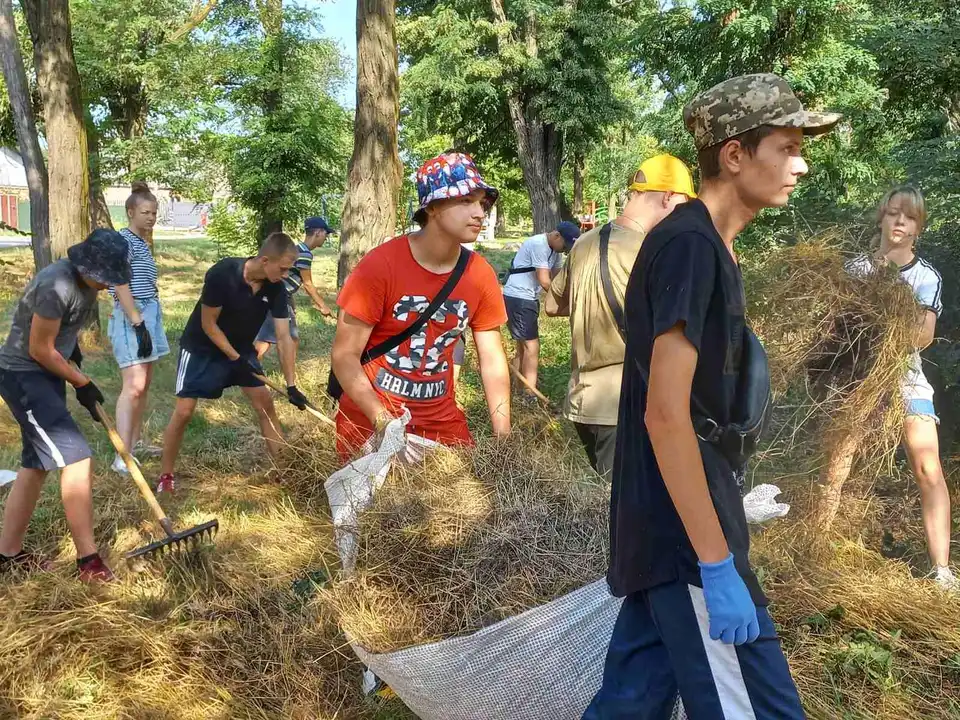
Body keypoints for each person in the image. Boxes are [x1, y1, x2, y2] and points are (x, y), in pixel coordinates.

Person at [585, 73, 839, 718]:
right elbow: (665, 413)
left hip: (670, 521)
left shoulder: (706, 245)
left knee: (630, 704)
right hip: (686, 539)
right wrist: (716, 563)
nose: (800, 165)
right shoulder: (691, 247)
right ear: (734, 153)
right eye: (785, 148)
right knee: (760, 708)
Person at [331, 151, 510, 460]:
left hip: (440, 424)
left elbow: (492, 359)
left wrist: (504, 437)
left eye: (482, 203)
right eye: (466, 200)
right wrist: (382, 420)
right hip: (370, 422)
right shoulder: (380, 266)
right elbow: (344, 355)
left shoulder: (480, 275)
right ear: (433, 207)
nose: (479, 212)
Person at [546, 154, 696, 479]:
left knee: (606, 498)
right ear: (668, 196)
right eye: (683, 206)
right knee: (621, 513)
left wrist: (591, 301)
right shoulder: (653, 250)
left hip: (583, 401)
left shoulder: (583, 243)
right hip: (625, 402)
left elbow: (551, 306)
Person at [0, 229, 133, 582]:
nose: (109, 284)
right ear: (87, 265)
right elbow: (39, 349)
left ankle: (7, 554)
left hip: (44, 373)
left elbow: (59, 339)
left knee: (36, 464)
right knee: (76, 457)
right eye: (105, 277)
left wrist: (73, 357)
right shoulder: (55, 286)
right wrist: (82, 383)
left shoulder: (88, 285)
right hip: (23, 376)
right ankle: (88, 561)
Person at [840, 186, 955, 590]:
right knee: (838, 463)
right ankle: (818, 547)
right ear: (882, 219)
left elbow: (920, 338)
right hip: (857, 379)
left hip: (905, 378)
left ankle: (941, 570)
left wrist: (888, 312)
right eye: (892, 214)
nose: (899, 222)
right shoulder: (855, 270)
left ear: (918, 227)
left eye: (908, 217)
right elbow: (843, 330)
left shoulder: (926, 278)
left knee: (928, 467)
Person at [157, 232, 310, 493]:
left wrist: (292, 385)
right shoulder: (223, 274)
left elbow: (284, 337)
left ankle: (284, 472)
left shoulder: (275, 288)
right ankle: (165, 476)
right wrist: (235, 358)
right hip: (201, 347)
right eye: (283, 269)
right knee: (183, 413)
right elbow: (208, 324)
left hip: (241, 349)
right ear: (265, 260)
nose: (286, 275)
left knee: (265, 404)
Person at [107, 182, 170, 475]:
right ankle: (122, 456)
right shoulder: (122, 241)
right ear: (130, 211)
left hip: (149, 313)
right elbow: (119, 282)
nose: (151, 217)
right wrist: (136, 320)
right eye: (146, 212)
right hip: (132, 316)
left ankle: (135, 441)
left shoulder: (142, 242)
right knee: (132, 387)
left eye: (154, 213)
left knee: (143, 385)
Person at [502, 220, 581, 396]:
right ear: (556, 235)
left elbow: (559, 278)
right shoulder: (539, 244)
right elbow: (545, 281)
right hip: (519, 298)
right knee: (532, 346)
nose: (564, 249)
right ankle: (530, 396)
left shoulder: (555, 250)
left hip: (528, 298)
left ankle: (518, 389)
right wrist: (571, 301)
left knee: (523, 347)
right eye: (565, 245)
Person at [254, 216, 335, 361]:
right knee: (283, 339)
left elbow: (289, 280)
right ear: (318, 233)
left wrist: (291, 304)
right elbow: (308, 283)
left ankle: (257, 369)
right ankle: (252, 370)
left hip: (281, 296)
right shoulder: (304, 254)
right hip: (278, 298)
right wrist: (323, 306)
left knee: (279, 337)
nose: (326, 237)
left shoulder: (297, 250)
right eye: (325, 233)